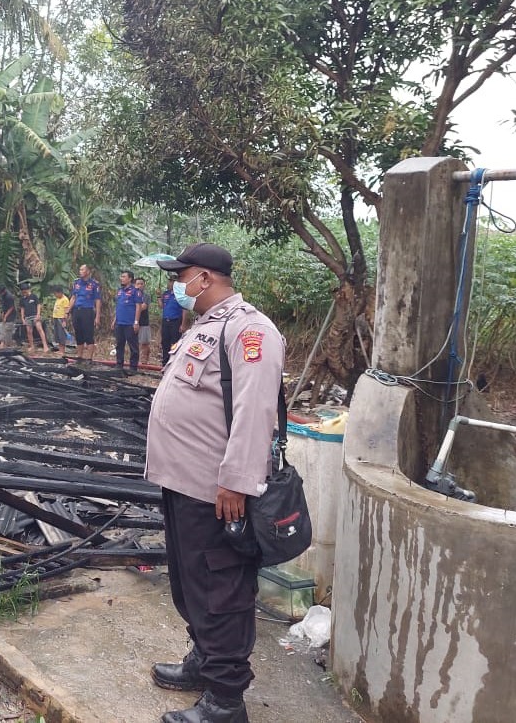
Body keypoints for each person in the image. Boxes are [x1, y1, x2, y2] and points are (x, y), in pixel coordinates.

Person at [144, 242, 284, 723]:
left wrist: (237, 482)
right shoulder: (208, 327)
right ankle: (205, 661)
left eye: (179, 277)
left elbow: (255, 411)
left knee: (220, 590)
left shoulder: (250, 330)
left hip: (216, 490)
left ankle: (226, 700)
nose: (174, 286)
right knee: (190, 583)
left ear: (204, 278)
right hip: (183, 482)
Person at [112, 270, 143, 375]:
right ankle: (119, 364)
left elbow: (138, 307)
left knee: (133, 346)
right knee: (119, 344)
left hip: (130, 323)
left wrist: (136, 322)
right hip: (119, 323)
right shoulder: (120, 291)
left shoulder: (135, 291)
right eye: (121, 276)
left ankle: (133, 367)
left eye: (124, 276)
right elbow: (119, 306)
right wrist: (114, 320)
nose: (121, 278)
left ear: (130, 279)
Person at [69, 264, 101, 363]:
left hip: (87, 310)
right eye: (80, 269)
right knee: (78, 333)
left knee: (88, 334)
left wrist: (97, 316)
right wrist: (68, 310)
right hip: (76, 310)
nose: (80, 271)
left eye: (82, 269)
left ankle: (89, 358)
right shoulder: (76, 282)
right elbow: (73, 297)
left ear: (88, 271)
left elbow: (98, 300)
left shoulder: (94, 284)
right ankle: (79, 356)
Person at [160, 279, 187, 365]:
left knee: (175, 342)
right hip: (166, 320)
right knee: (165, 342)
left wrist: (183, 324)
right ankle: (165, 362)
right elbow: (161, 306)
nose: (169, 283)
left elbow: (185, 310)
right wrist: (158, 297)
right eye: (169, 281)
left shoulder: (181, 294)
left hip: (176, 321)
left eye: (171, 281)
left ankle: (173, 362)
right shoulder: (166, 294)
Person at [18, 282, 48, 353]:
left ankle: (45, 346)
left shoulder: (33, 296)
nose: (24, 293)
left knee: (39, 329)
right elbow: (22, 309)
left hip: (35, 316)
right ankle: (31, 346)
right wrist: (22, 318)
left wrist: (38, 314)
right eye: (23, 292)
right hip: (27, 317)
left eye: (25, 291)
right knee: (29, 332)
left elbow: (38, 305)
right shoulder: (22, 299)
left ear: (28, 290)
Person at [135, 277, 152, 366]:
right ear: (134, 285)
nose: (140, 285)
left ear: (144, 285)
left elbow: (143, 307)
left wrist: (132, 308)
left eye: (141, 284)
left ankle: (144, 361)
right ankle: (135, 360)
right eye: (138, 284)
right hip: (133, 321)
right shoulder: (132, 295)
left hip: (144, 321)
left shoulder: (146, 296)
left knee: (144, 343)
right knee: (134, 342)